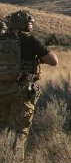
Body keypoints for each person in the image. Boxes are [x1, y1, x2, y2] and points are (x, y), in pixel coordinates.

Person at [0, 9, 58, 150]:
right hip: (21, 93)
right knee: (20, 132)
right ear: (26, 25)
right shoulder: (30, 40)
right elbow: (53, 61)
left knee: (2, 129)